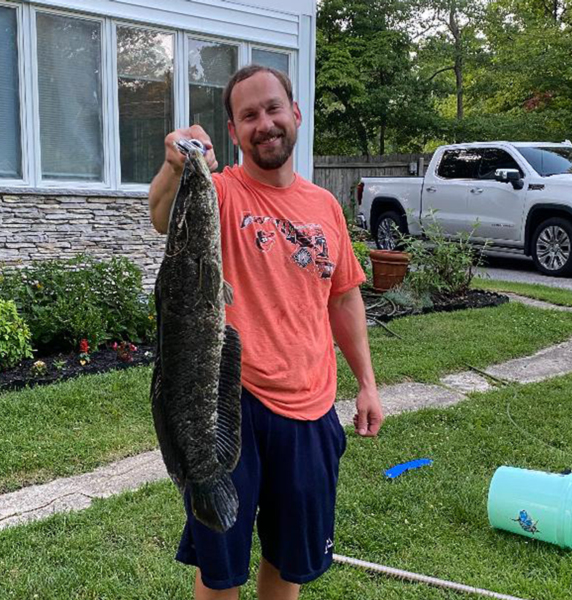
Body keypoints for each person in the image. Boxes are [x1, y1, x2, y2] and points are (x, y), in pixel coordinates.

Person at [148, 65, 383, 600]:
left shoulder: (325, 206)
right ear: (233, 132)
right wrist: (173, 164)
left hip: (313, 408)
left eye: (273, 109)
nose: (265, 123)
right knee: (219, 570)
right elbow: (163, 216)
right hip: (232, 405)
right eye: (248, 115)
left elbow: (344, 297)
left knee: (289, 563)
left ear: (295, 114)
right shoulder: (222, 191)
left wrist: (366, 383)